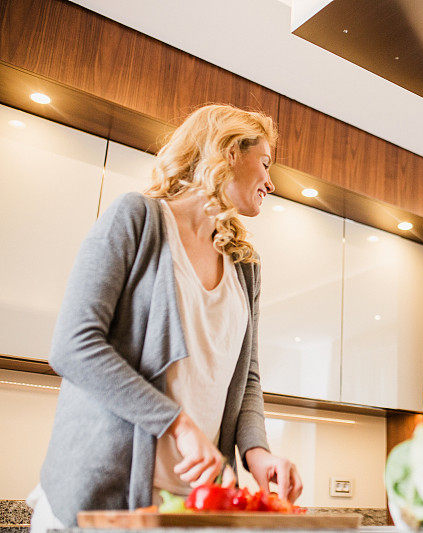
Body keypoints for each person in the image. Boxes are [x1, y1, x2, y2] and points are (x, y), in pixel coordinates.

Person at [27, 104, 302, 531]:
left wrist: (257, 453)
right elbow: (73, 346)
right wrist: (178, 424)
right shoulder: (136, 218)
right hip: (102, 501)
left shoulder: (245, 265)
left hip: (186, 508)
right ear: (229, 152)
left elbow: (246, 378)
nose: (270, 181)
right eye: (264, 163)